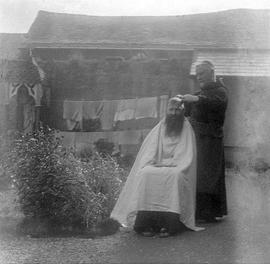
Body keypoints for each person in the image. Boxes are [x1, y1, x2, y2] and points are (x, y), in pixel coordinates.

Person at [110, 97, 203, 238]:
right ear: (167, 110)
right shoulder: (161, 126)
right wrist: (152, 162)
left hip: (178, 165)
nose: (174, 113)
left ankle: (170, 224)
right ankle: (145, 224)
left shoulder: (186, 127)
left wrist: (171, 164)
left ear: (182, 111)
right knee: (145, 173)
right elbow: (151, 148)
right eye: (171, 109)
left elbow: (186, 152)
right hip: (157, 164)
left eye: (177, 110)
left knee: (175, 176)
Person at [178, 61, 228, 223]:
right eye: (197, 74)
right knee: (196, 173)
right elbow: (189, 114)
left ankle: (210, 212)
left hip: (211, 141)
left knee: (209, 175)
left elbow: (214, 103)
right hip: (196, 140)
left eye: (202, 74)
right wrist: (183, 102)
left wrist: (196, 99)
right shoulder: (199, 93)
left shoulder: (221, 91)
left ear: (212, 72)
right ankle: (198, 212)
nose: (199, 77)